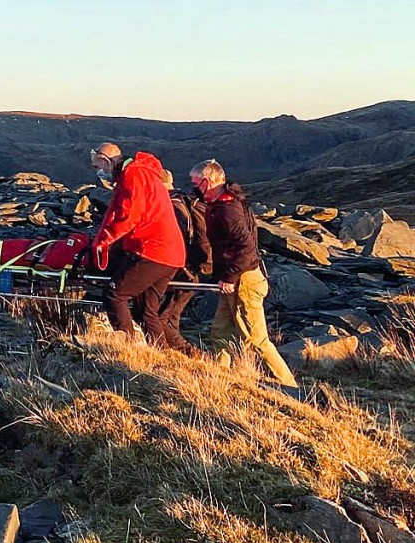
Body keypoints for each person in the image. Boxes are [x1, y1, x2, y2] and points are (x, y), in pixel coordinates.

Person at [190, 159, 298, 387]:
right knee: (221, 332)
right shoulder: (225, 204)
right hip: (234, 278)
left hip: (244, 281)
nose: (193, 187)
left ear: (207, 182)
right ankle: (220, 377)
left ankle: (289, 386)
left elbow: (246, 248)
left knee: (256, 339)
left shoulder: (228, 210)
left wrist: (229, 277)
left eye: (195, 183)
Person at [90, 143, 187, 347]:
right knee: (147, 311)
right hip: (171, 253)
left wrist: (105, 241)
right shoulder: (144, 173)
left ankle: (127, 346)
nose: (99, 172)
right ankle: (161, 353)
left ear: (107, 160)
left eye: (98, 166)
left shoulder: (133, 175)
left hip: (152, 250)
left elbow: (129, 216)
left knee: (115, 294)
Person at [157, 169, 210, 356]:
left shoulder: (172, 205)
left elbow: (177, 239)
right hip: (192, 269)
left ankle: (190, 354)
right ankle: (177, 354)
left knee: (161, 317)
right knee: (170, 316)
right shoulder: (183, 199)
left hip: (181, 269)